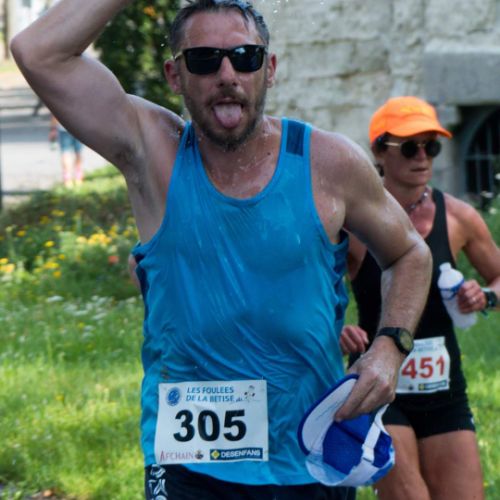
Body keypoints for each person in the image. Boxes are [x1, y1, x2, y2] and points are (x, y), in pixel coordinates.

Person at [11, 2, 432, 499]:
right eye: (205, 60)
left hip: (305, 458)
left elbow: (410, 254)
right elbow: (37, 52)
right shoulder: (153, 151)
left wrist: (389, 348)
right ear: (175, 75)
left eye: (245, 57)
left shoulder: (327, 162)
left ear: (269, 69)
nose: (228, 75)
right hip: (187, 464)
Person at [340, 96, 500, 500]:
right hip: (379, 385)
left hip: (444, 388)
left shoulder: (459, 216)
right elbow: (312, 290)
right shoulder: (354, 223)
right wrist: (335, 328)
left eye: (432, 146)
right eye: (410, 147)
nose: (423, 157)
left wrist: (485, 296)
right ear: (379, 151)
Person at [49, 114, 84, 187]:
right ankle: (78, 176)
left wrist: (52, 129)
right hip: (79, 126)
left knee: (65, 153)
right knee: (78, 152)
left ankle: (67, 178)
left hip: (64, 128)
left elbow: (55, 114)